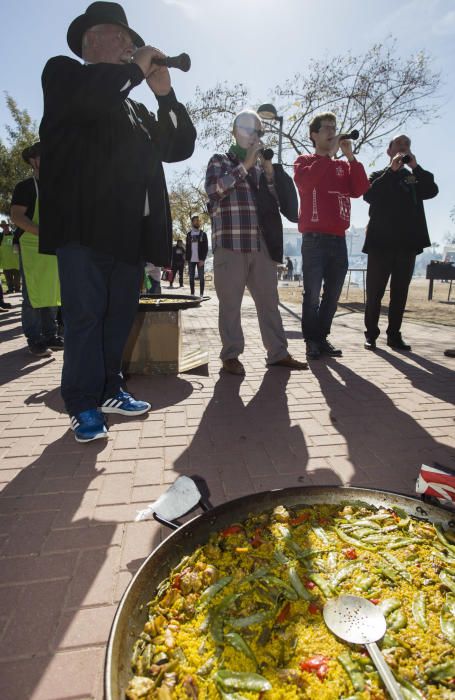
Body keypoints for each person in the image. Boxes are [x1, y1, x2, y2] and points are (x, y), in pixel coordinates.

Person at [38, 1, 196, 442]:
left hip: (128, 232)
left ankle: (110, 389)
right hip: (83, 225)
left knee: (118, 317)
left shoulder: (136, 110)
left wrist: (165, 94)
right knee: (85, 316)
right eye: (121, 36)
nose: (131, 45)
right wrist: (137, 69)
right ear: (91, 40)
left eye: (134, 41)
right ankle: (82, 403)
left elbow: (179, 146)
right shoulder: (64, 74)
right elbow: (94, 97)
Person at [205, 109, 307, 375]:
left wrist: (272, 174)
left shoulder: (263, 167)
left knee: (269, 302)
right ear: (235, 131)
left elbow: (281, 205)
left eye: (259, 131)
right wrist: (245, 167)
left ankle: (278, 353)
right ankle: (231, 355)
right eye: (250, 128)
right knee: (230, 304)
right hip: (231, 242)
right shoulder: (219, 160)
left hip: (261, 243)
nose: (255, 135)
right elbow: (214, 191)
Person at [294, 112, 369, 360]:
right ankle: (311, 340)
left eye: (334, 127)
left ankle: (322, 336)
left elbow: (360, 189)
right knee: (312, 293)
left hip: (338, 240)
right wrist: (327, 155)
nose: (331, 131)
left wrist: (349, 156)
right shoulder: (304, 161)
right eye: (325, 128)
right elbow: (307, 183)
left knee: (333, 293)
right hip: (313, 239)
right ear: (313, 134)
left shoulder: (342, 165)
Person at [363, 134, 438, 351]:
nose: (403, 147)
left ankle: (394, 335)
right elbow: (370, 195)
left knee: (400, 292)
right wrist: (392, 170)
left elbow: (431, 190)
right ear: (389, 150)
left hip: (406, 244)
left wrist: (415, 166)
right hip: (380, 243)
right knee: (375, 292)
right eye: (399, 144)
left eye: (407, 144)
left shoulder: (414, 177)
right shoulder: (379, 175)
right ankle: (371, 335)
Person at [10, 143, 62, 357]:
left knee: (52, 291)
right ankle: (35, 339)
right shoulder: (26, 187)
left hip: (55, 247)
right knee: (32, 294)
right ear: (34, 161)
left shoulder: (60, 187)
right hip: (32, 246)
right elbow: (17, 216)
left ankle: (51, 334)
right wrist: (43, 232)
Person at [186, 215, 208, 296]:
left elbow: (205, 248)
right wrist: (187, 258)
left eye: (198, 221)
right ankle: (192, 294)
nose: (197, 222)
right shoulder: (188, 234)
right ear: (192, 222)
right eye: (195, 220)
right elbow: (187, 247)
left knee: (201, 278)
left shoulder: (203, 234)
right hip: (191, 260)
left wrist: (203, 259)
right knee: (191, 278)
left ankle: (201, 295)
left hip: (200, 260)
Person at [0, 221, 21, 293]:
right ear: (2, 227)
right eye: (3, 226)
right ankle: (10, 290)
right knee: (8, 278)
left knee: (17, 278)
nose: (5, 227)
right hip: (5, 261)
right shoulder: (0, 236)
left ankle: (17, 290)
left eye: (6, 226)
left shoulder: (15, 234)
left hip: (16, 261)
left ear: (8, 226)